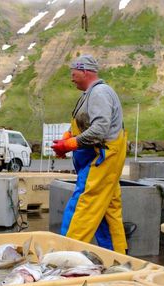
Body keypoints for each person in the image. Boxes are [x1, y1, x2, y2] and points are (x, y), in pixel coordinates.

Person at [52, 54, 128, 254]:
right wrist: (67, 137)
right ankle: (117, 258)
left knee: (83, 205)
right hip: (98, 159)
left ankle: (66, 254)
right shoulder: (90, 94)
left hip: (101, 160)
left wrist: (69, 145)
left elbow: (100, 129)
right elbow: (84, 124)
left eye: (73, 72)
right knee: (107, 211)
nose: (71, 77)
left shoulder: (100, 93)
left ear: (85, 71)